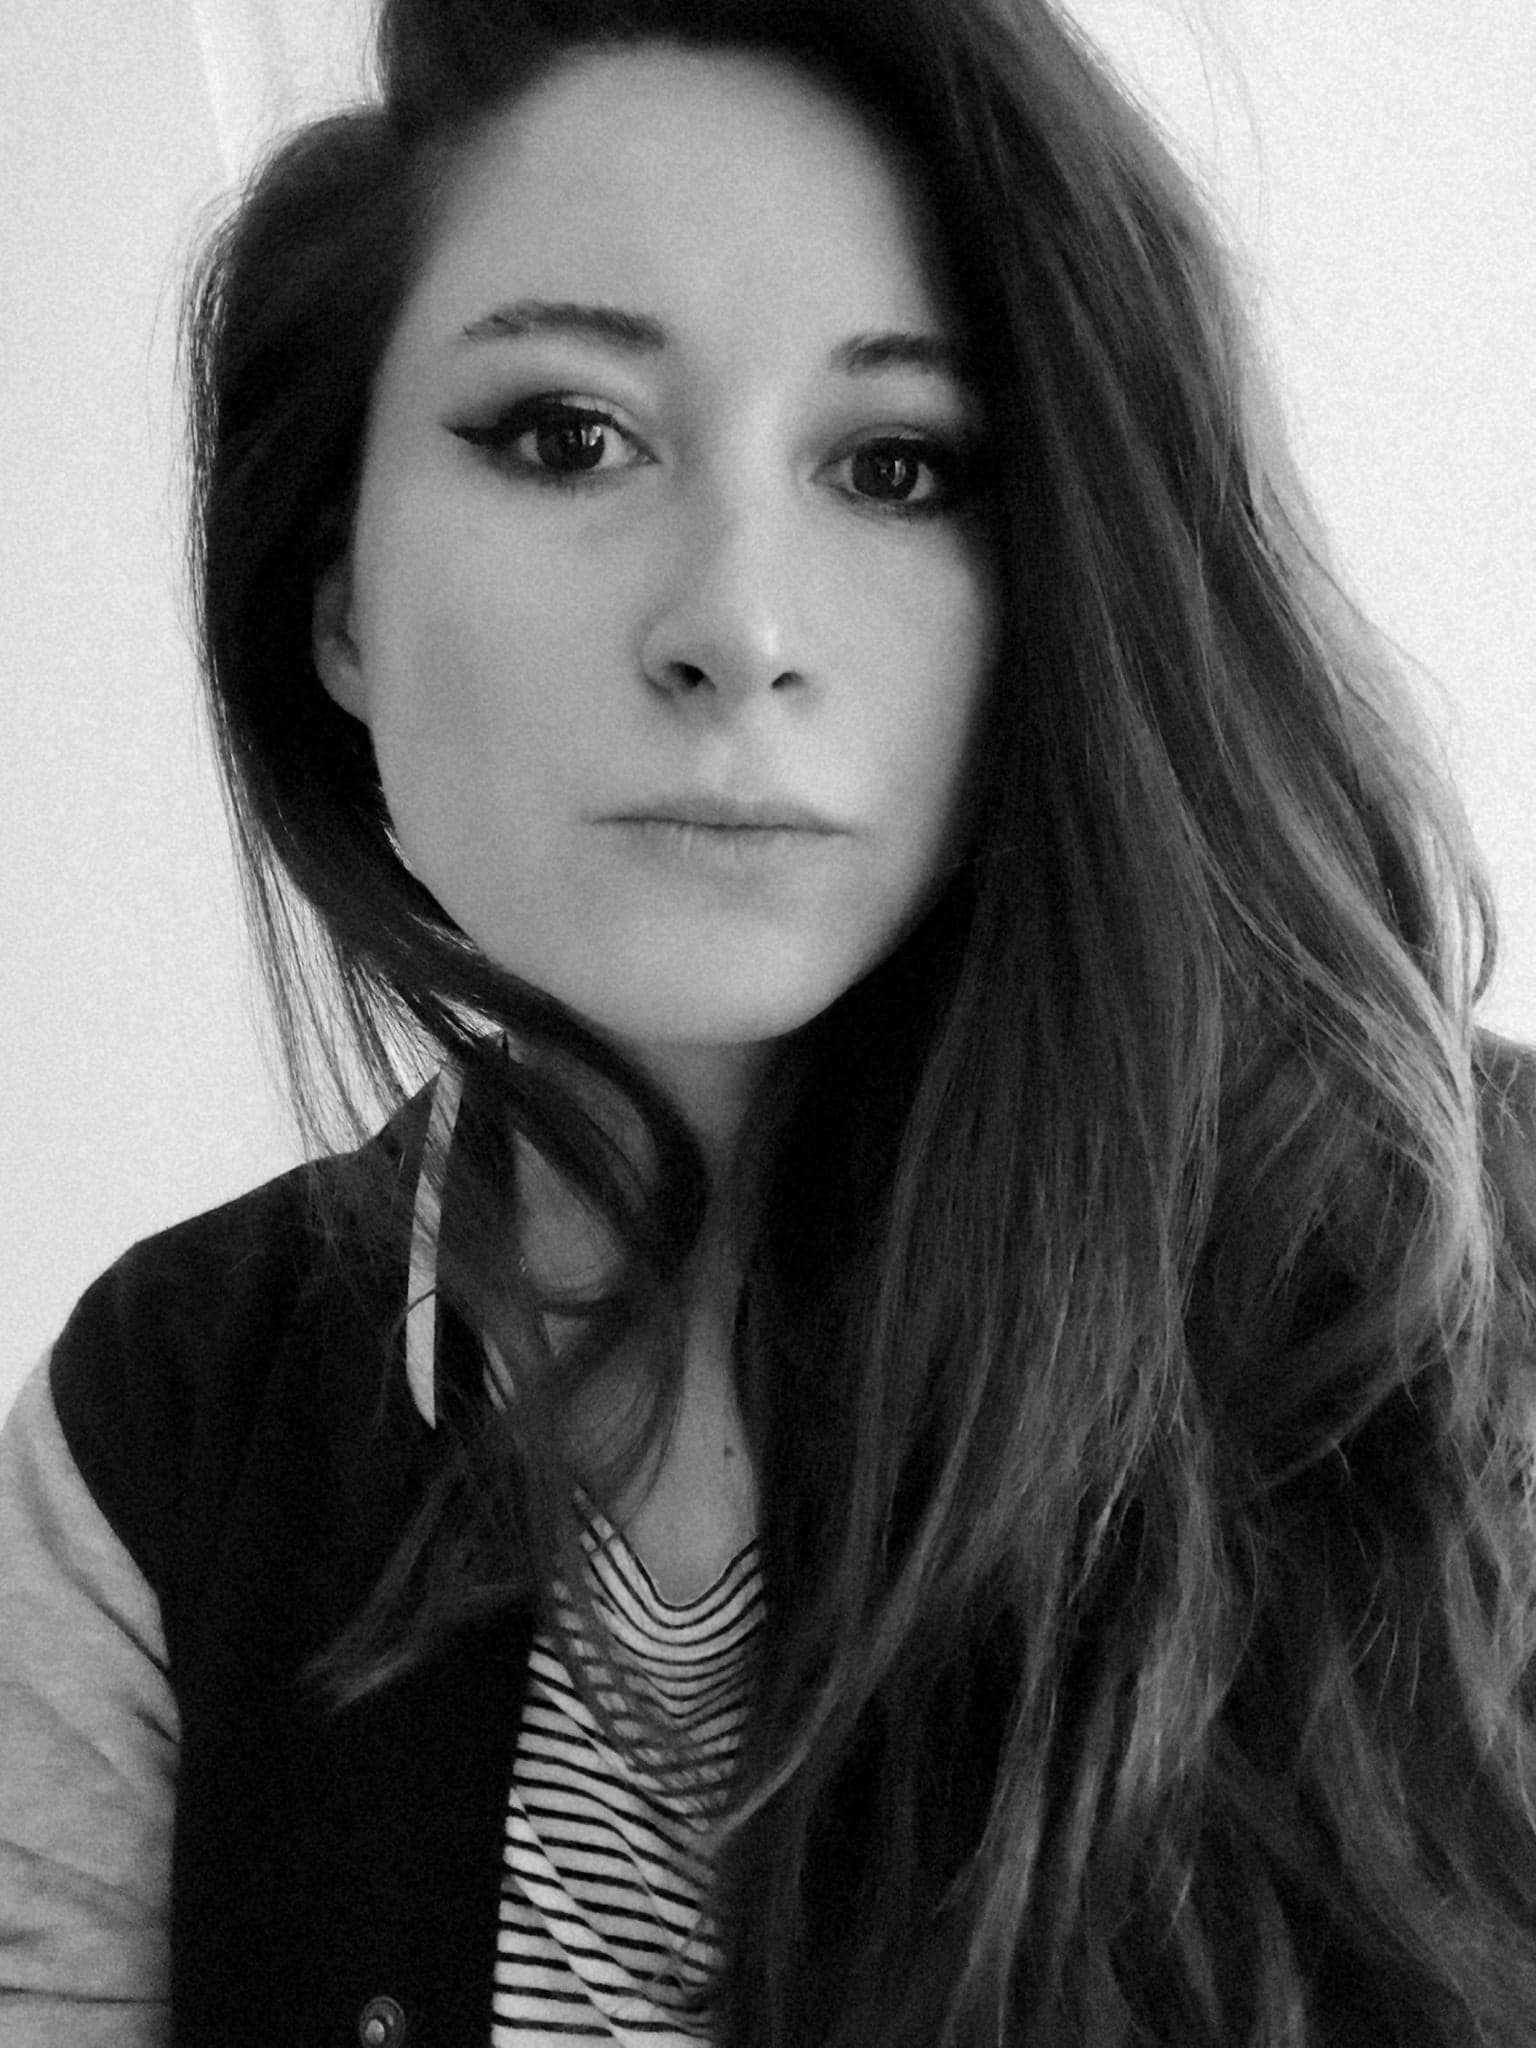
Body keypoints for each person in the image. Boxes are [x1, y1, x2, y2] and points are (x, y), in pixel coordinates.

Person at [3, 0, 1535, 2041]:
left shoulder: (1467, 1298)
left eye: (901, 467)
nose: (736, 625)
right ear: (338, 598)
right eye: (565, 435)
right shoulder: (159, 1436)